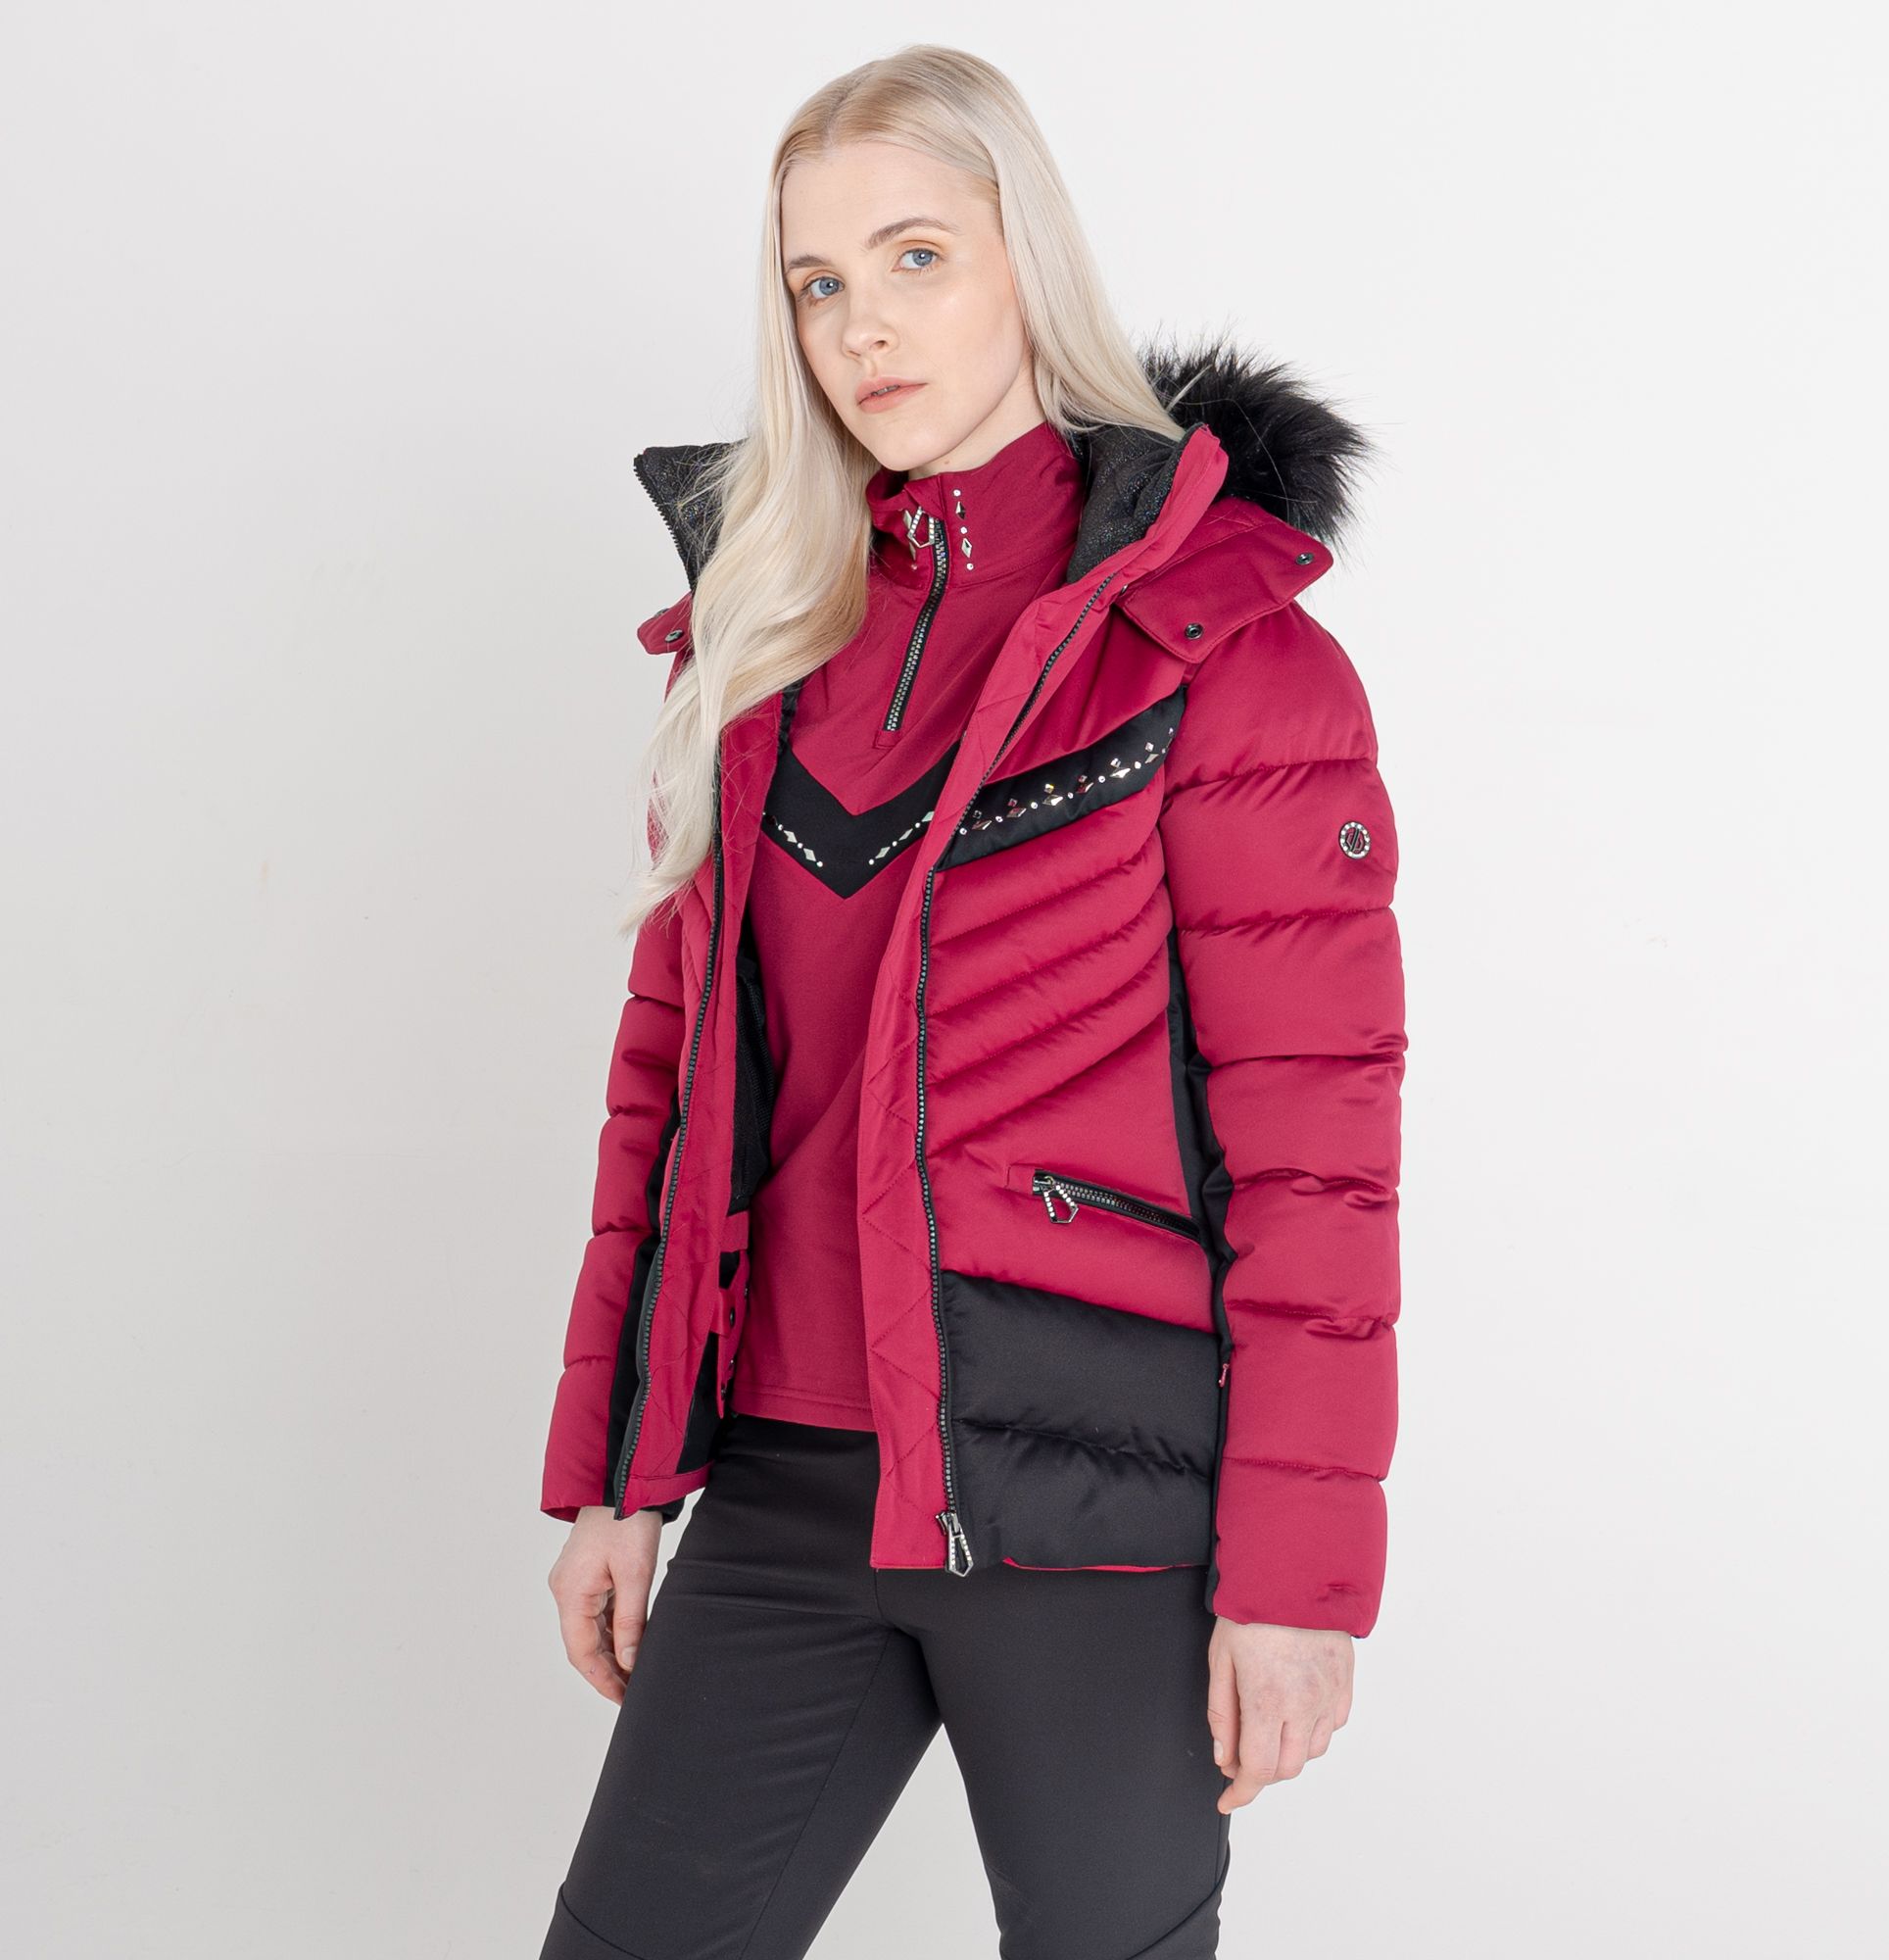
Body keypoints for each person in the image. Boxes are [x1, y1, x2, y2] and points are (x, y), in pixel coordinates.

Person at [536, 43, 1406, 1960]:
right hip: (784, 1490)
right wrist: (616, 1479)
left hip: (1093, 1506)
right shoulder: (759, 645)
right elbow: (669, 1092)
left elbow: (1318, 1157)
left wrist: (1297, 1580)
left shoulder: (1222, 654)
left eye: (915, 257)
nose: (863, 326)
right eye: (817, 283)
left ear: (1030, 259)